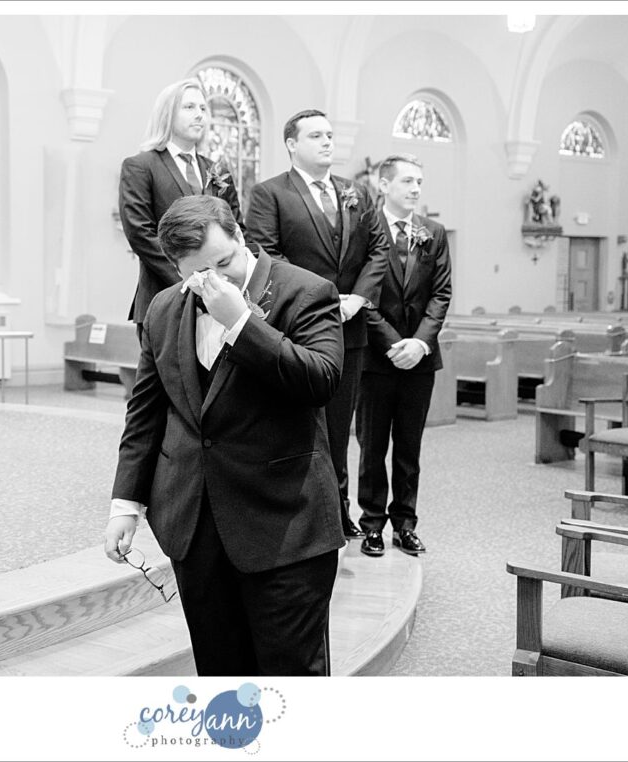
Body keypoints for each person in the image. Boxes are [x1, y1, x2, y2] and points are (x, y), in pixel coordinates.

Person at [104, 194, 345, 676]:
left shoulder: (307, 291)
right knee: (220, 672)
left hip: (284, 524)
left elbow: (321, 380)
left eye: (225, 262)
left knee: (291, 676)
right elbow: (146, 413)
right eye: (199, 273)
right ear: (176, 269)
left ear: (239, 237)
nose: (217, 280)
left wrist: (241, 323)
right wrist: (126, 504)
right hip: (194, 526)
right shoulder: (163, 308)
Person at [245, 109, 389, 541]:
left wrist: (358, 297)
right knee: (300, 424)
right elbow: (268, 254)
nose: (328, 142)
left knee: (340, 427)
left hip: (350, 326)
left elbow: (379, 249)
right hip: (299, 326)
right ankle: (300, 512)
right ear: (292, 144)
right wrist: (322, 296)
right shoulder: (270, 193)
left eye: (329, 135)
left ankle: (338, 509)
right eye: (316, 136)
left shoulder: (356, 193)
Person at [355, 153, 451, 559]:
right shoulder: (364, 228)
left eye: (419, 182)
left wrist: (420, 343)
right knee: (372, 446)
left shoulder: (434, 232)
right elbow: (361, 293)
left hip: (420, 359)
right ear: (384, 185)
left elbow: (441, 293)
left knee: (410, 447)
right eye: (407, 181)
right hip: (377, 358)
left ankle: (405, 524)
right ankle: (372, 524)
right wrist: (395, 343)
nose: (415, 189)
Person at [118, 78, 243, 340]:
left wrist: (226, 279)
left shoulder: (217, 170)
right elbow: (140, 233)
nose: (199, 114)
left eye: (203, 108)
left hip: (221, 300)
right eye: (189, 107)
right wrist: (193, 280)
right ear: (167, 114)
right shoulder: (142, 166)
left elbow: (237, 228)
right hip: (164, 295)